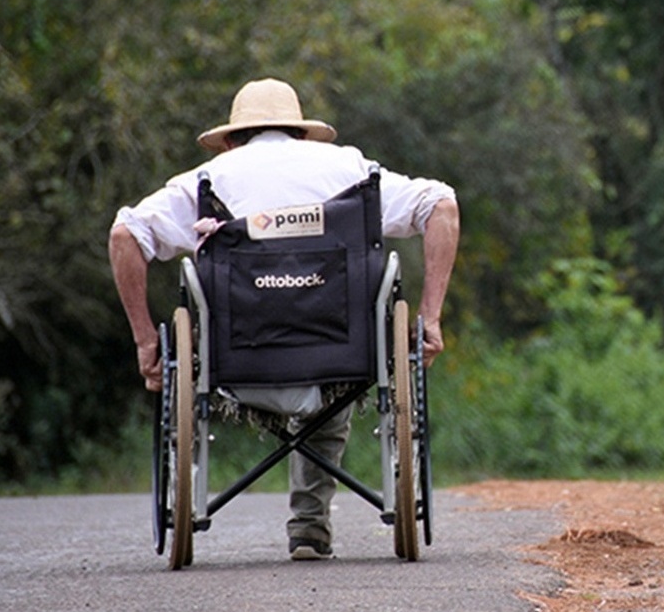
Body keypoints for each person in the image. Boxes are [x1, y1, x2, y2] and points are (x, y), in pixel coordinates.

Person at [108, 78, 459, 560]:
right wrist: (430, 317)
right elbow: (442, 205)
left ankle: (304, 521)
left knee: (210, 313)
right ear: (299, 133)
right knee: (331, 381)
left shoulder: (208, 179)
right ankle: (310, 523)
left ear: (232, 138)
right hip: (342, 351)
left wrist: (146, 342)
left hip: (236, 354)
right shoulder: (350, 169)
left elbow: (125, 235)